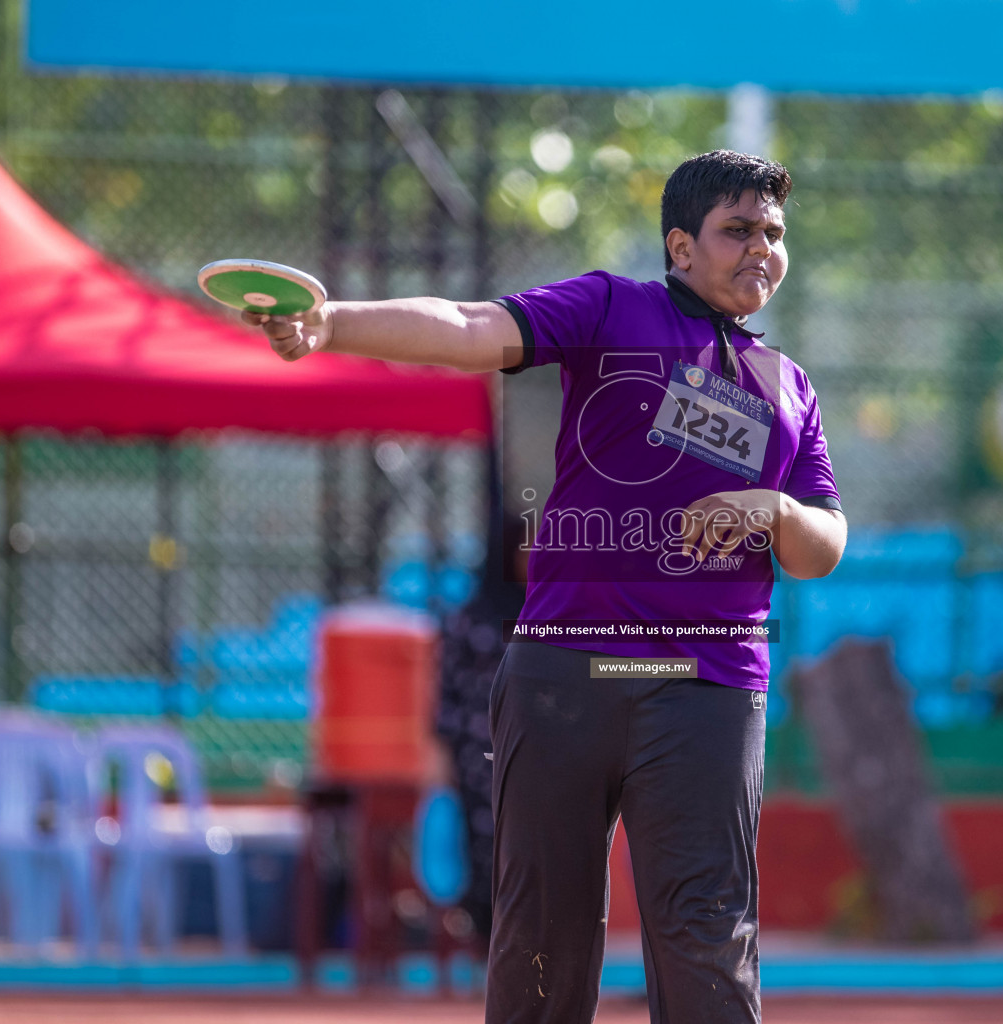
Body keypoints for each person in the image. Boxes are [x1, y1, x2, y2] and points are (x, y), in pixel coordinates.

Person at [244, 149, 846, 1023]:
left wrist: (774, 511)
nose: (763, 248)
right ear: (681, 247)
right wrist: (333, 323)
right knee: (540, 937)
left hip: (710, 692)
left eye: (776, 233)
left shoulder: (789, 387)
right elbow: (466, 326)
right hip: (564, 676)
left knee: (707, 933)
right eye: (739, 230)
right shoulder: (612, 308)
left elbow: (823, 543)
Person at [435, 509, 528, 946]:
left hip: (540, 748)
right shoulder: (472, 617)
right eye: (524, 548)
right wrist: (446, 752)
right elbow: (446, 691)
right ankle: (490, 939)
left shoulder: (553, 612)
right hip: (480, 754)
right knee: (487, 844)